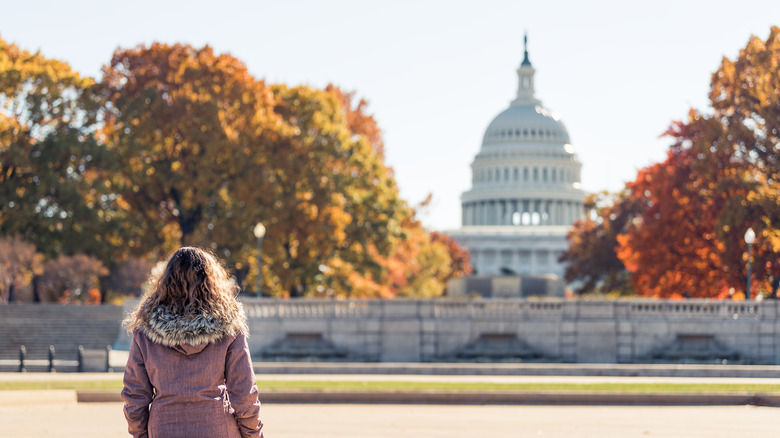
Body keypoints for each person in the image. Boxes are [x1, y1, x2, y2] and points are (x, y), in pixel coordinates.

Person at [122, 247, 264, 438]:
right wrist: (253, 435)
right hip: (217, 428)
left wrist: (140, 434)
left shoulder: (145, 330)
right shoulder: (229, 327)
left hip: (164, 428)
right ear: (211, 282)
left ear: (165, 281)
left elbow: (135, 395)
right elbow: (245, 394)